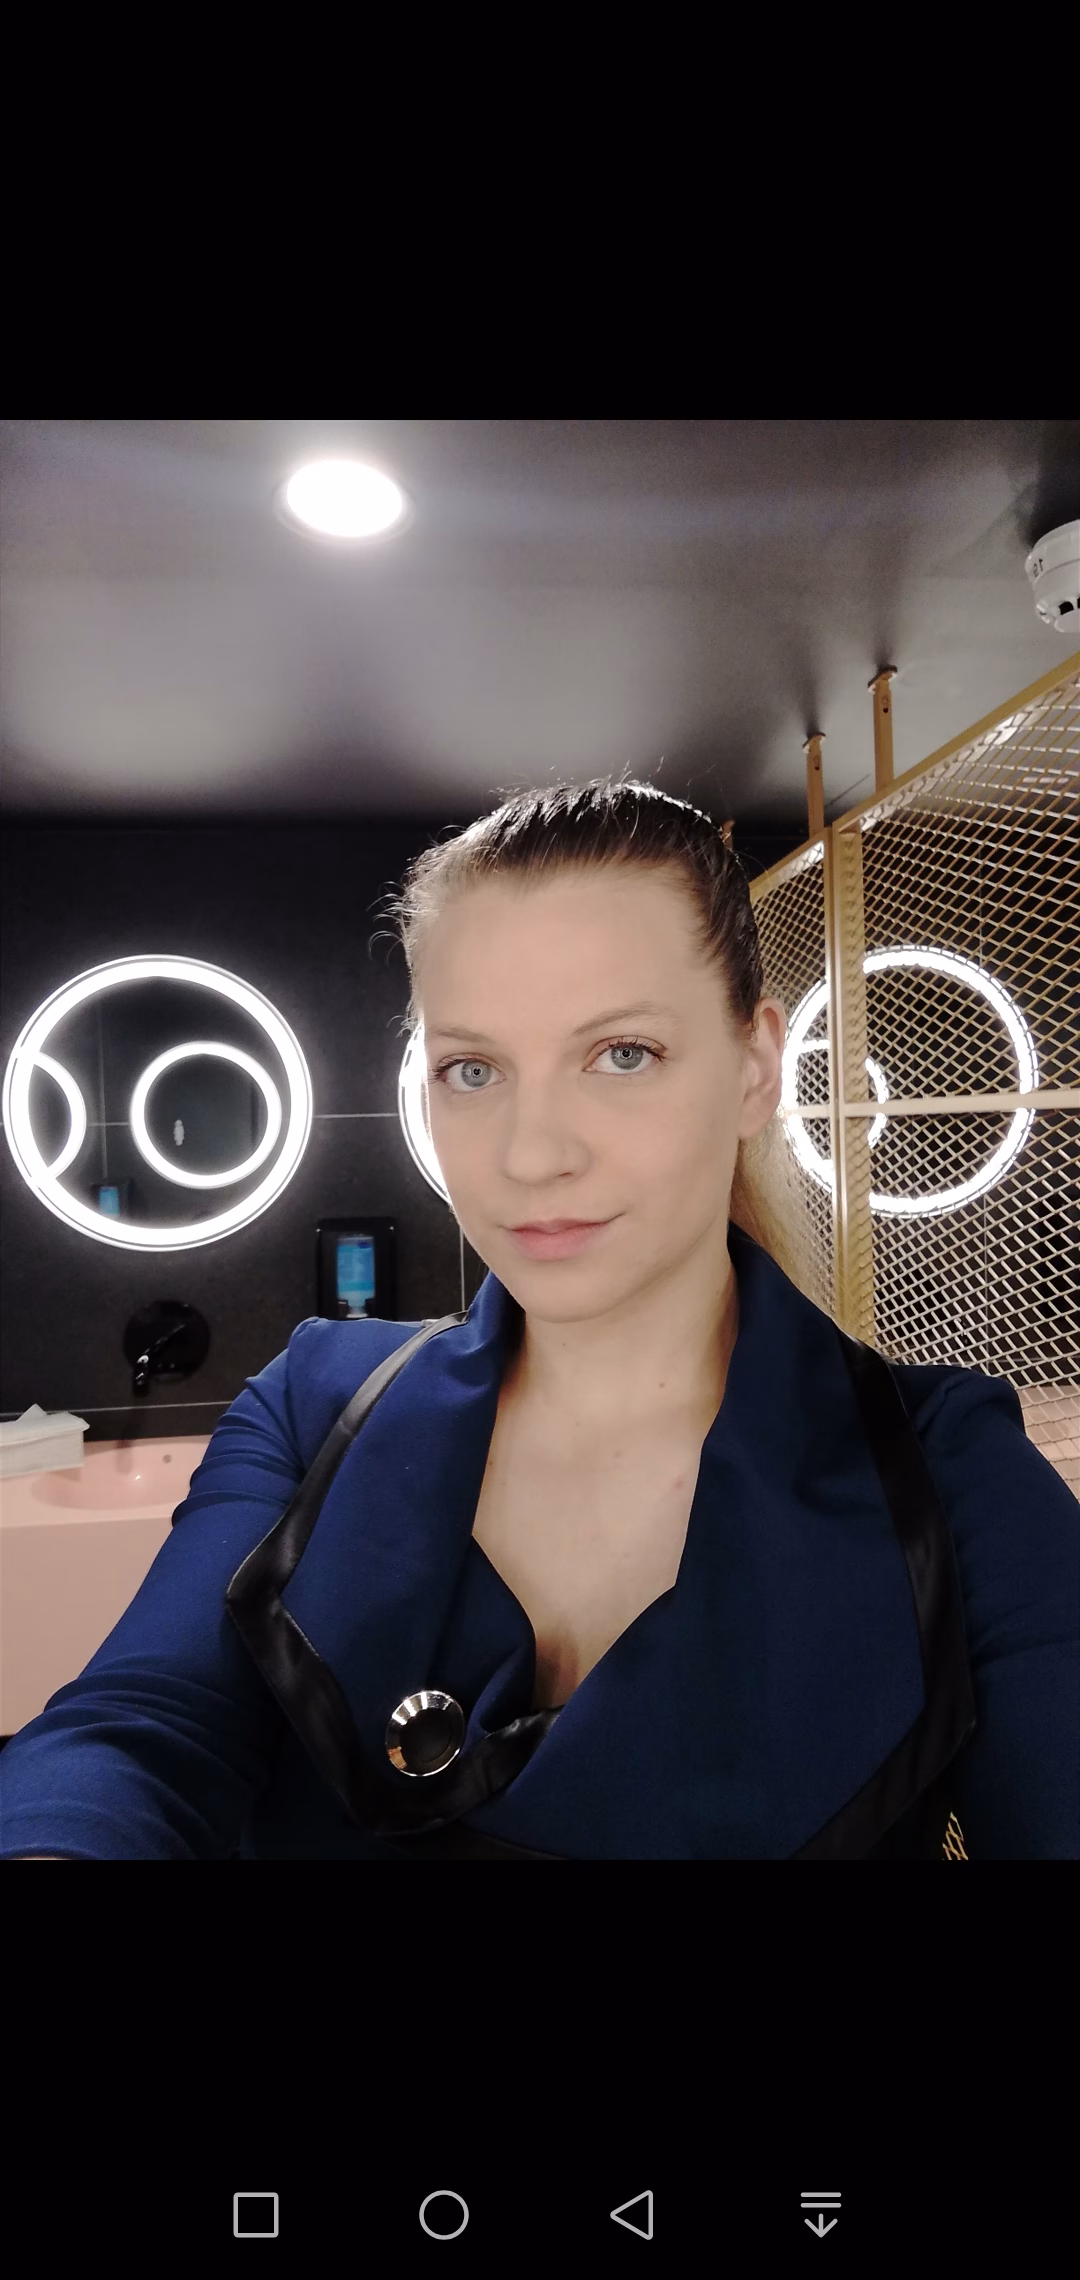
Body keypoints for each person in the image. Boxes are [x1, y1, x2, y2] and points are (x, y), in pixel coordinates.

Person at [2, 776, 1077, 1859]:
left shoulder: (948, 1475)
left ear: (756, 1069)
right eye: (473, 1070)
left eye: (622, 1054)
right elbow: (139, 1730)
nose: (531, 1154)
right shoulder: (313, 1406)